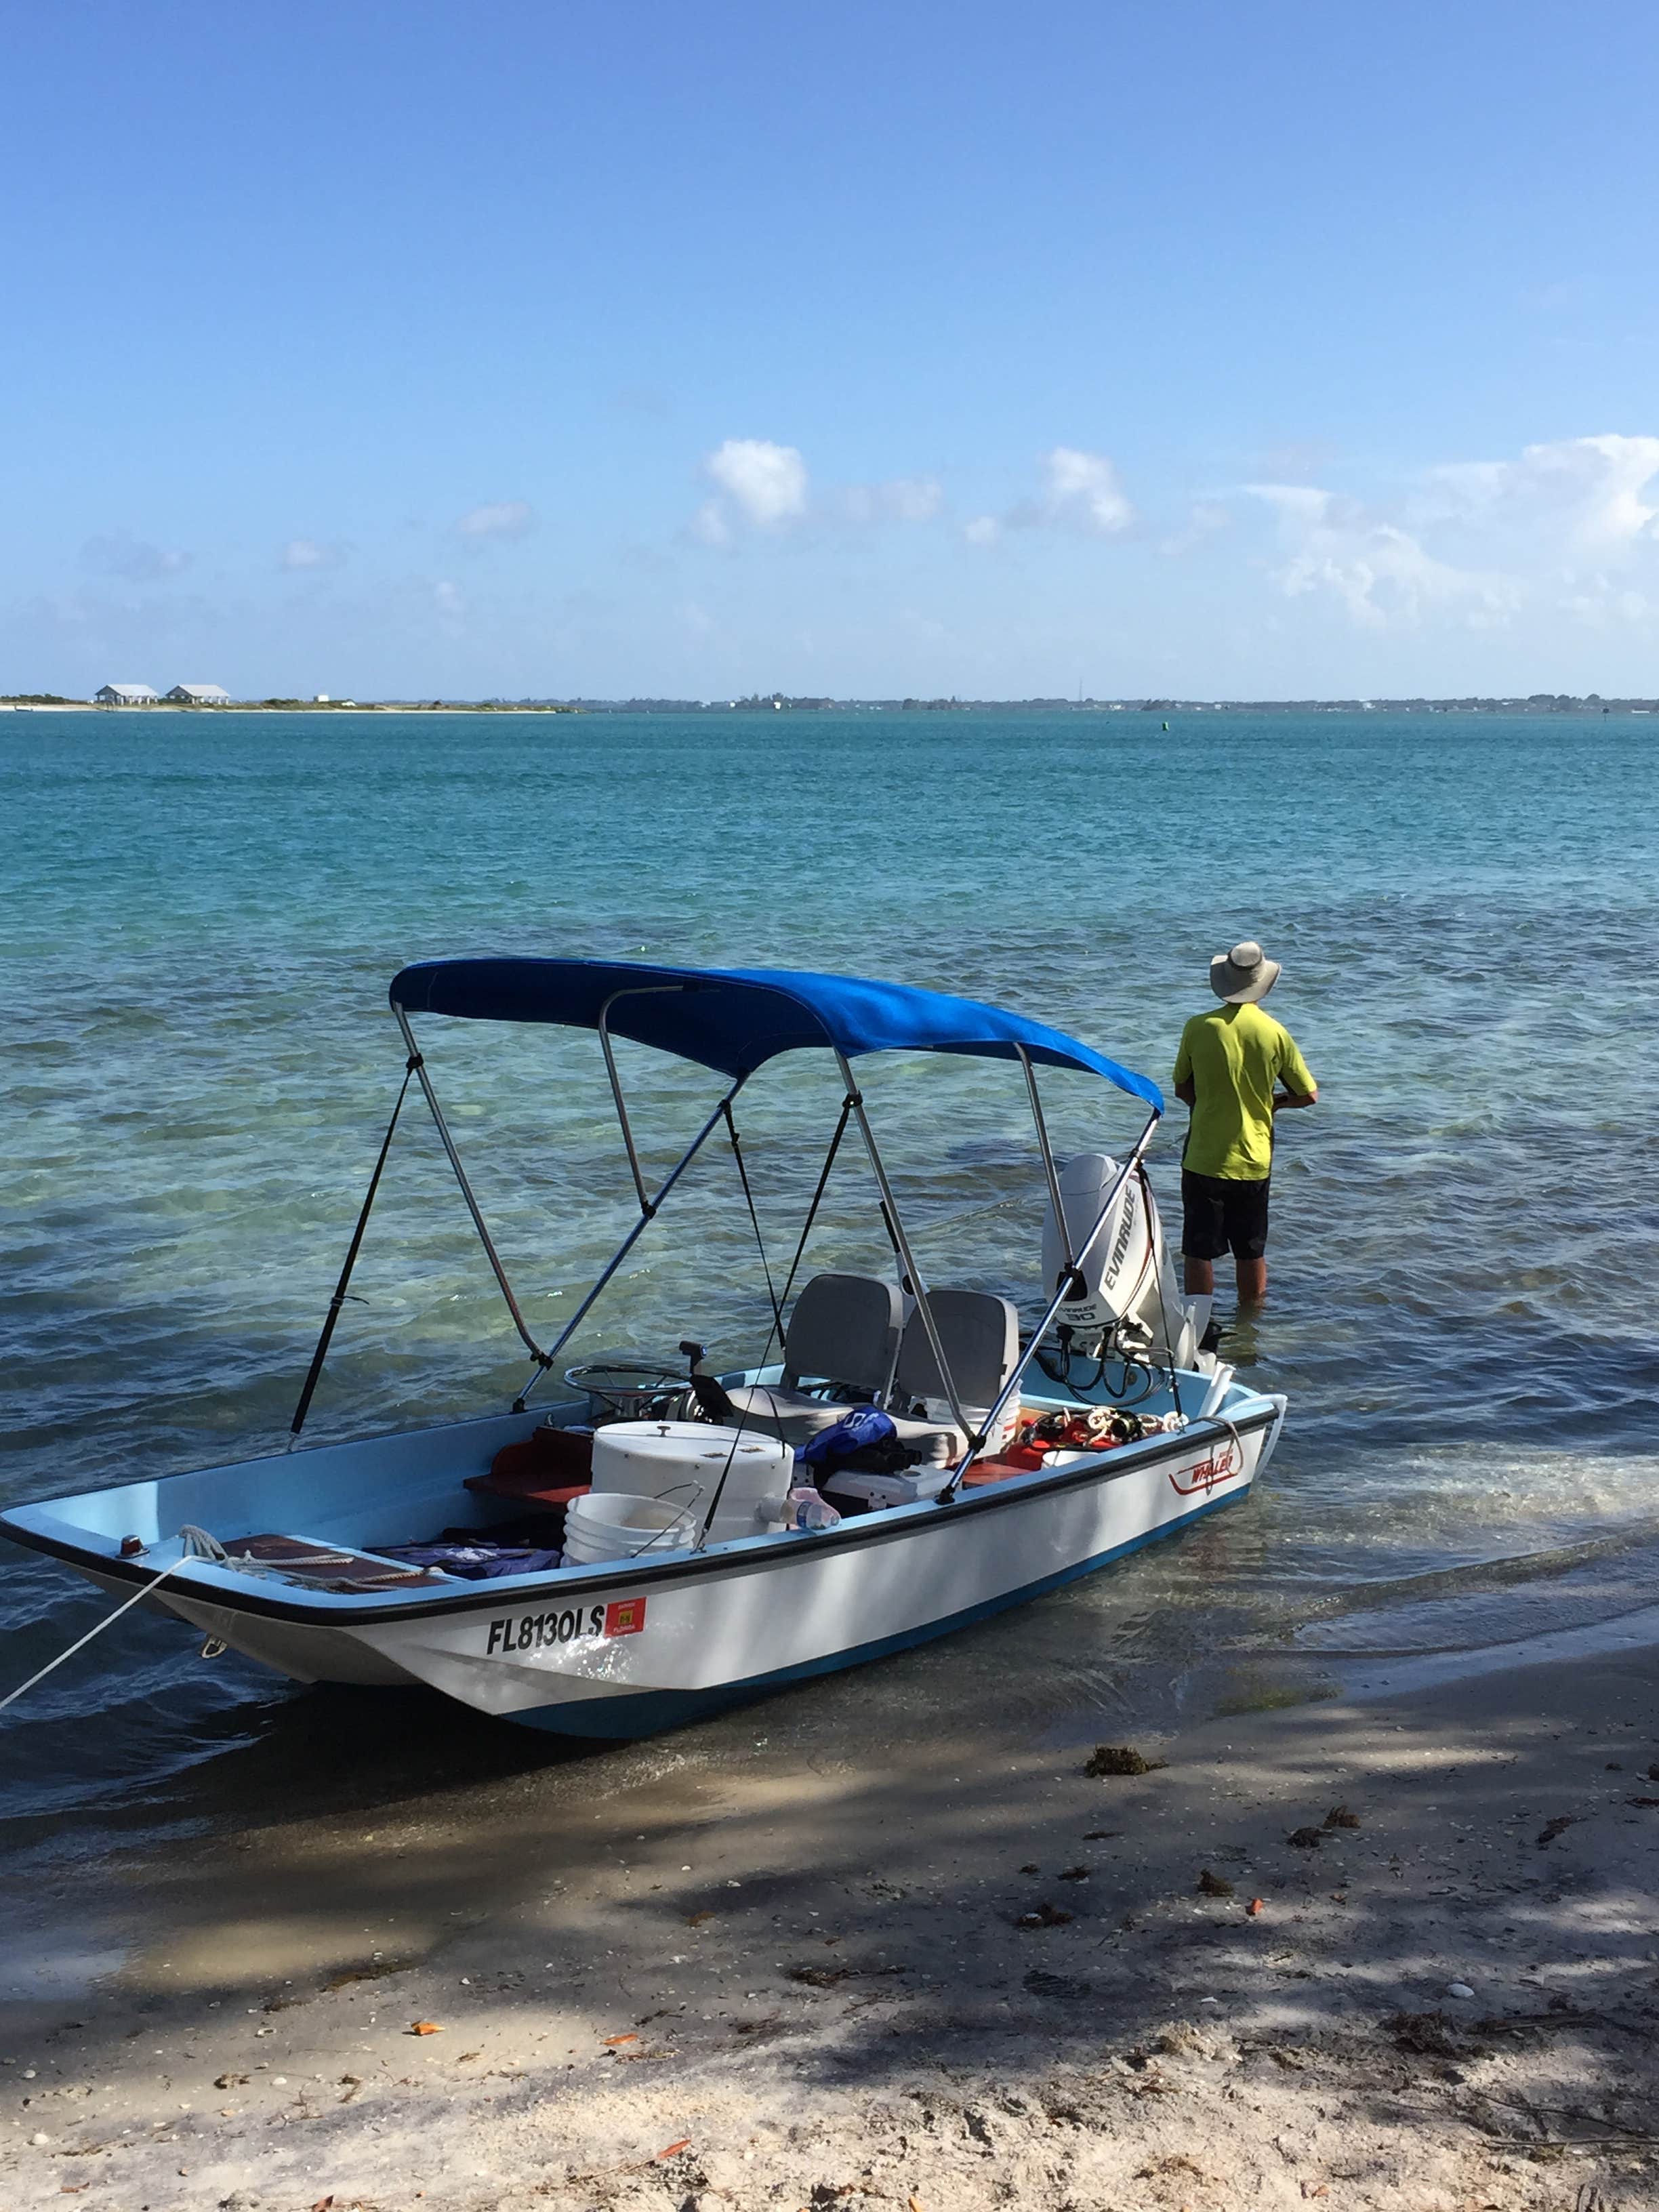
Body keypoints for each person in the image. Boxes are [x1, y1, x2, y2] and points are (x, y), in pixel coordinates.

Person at [1172, 939, 1316, 1310]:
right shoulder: (1274, 1032)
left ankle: (1198, 1323)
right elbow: (1308, 1095)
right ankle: (1250, 1324)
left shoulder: (1198, 1027)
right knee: (1251, 1250)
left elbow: (1182, 1088)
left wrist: (1205, 1107)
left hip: (1204, 1155)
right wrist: (1275, 1104)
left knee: (1198, 1251)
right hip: (1254, 1158)